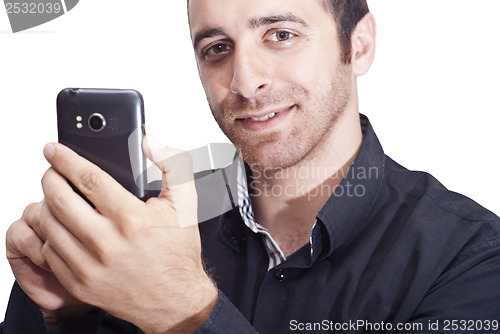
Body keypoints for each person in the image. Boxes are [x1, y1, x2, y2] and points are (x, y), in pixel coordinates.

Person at [2, 0, 500, 333]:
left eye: (280, 35)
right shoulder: (138, 225)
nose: (243, 81)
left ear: (360, 45)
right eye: (217, 49)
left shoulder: (473, 257)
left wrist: (187, 311)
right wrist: (58, 316)